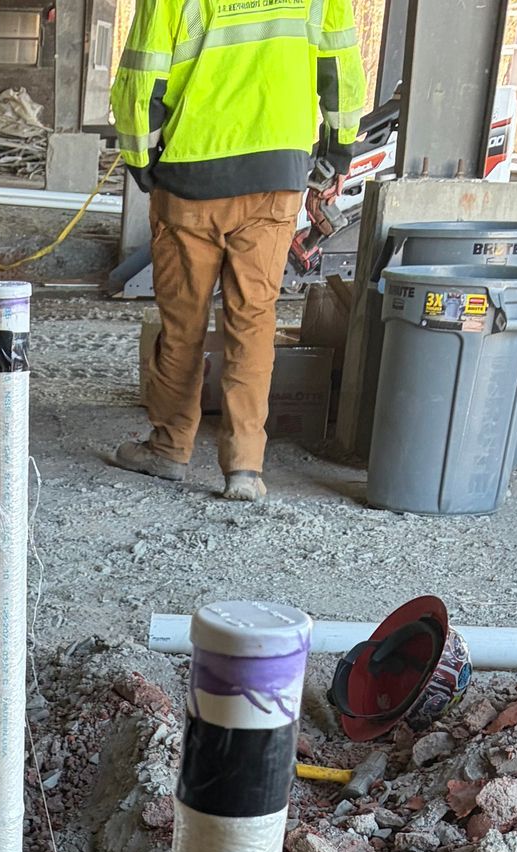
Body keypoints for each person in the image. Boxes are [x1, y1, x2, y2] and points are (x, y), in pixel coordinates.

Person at [108, 0, 364, 502]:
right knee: (254, 318)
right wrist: (337, 149)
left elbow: (142, 77)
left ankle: (170, 447)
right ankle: (245, 468)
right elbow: (342, 69)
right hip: (275, 174)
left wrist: (141, 158)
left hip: (190, 174)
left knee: (183, 324)